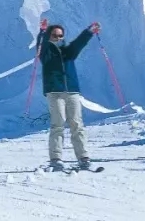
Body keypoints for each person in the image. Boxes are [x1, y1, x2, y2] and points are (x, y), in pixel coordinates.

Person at [35, 17, 100, 170]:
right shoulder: (46, 52)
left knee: (77, 124)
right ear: (50, 37)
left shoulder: (68, 51)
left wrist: (89, 31)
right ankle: (56, 158)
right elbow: (41, 45)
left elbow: (79, 43)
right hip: (54, 92)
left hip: (72, 91)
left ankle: (83, 157)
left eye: (60, 35)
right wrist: (43, 32)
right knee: (58, 124)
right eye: (55, 35)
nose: (58, 38)